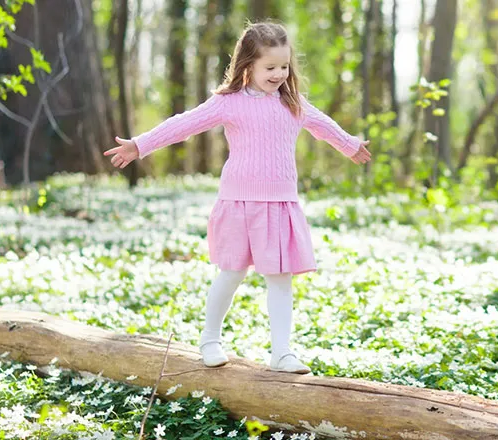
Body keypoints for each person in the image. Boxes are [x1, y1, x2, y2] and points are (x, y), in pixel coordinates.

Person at [103, 21, 371, 374]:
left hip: (279, 203)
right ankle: (210, 340)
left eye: (284, 66)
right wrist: (140, 145)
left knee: (280, 278)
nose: (279, 74)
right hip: (239, 204)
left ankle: (282, 353)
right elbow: (184, 123)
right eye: (270, 67)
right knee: (231, 273)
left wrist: (351, 146)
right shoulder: (229, 103)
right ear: (247, 64)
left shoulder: (293, 104)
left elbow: (324, 126)